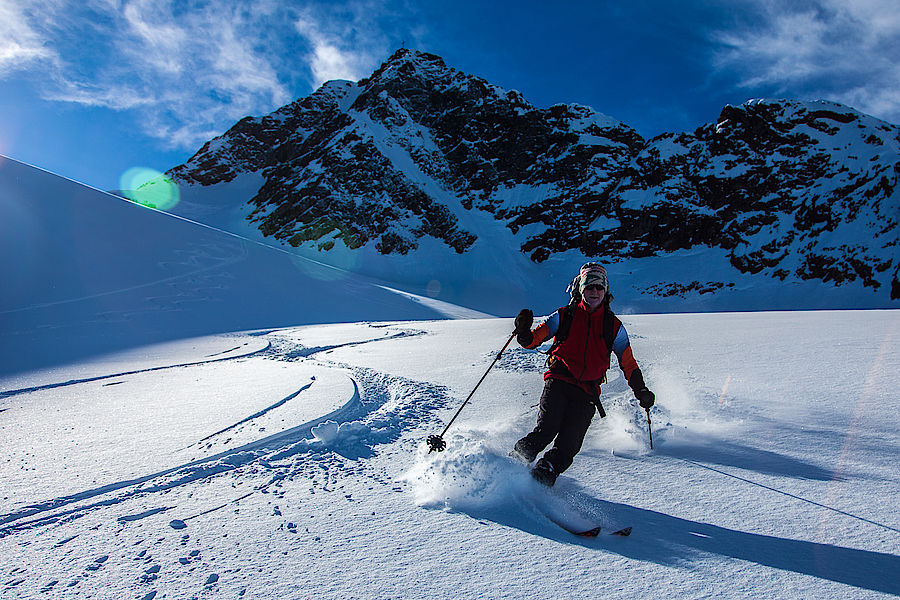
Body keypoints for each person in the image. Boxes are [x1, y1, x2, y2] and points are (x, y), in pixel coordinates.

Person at [511, 263, 655, 487]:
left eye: (599, 287)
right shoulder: (564, 316)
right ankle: (512, 465)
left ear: (606, 290)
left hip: (588, 391)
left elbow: (628, 362)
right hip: (559, 381)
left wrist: (641, 390)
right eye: (589, 287)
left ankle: (541, 478)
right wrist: (522, 332)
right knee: (546, 430)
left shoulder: (613, 326)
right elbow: (533, 340)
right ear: (581, 289)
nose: (594, 292)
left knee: (570, 444)